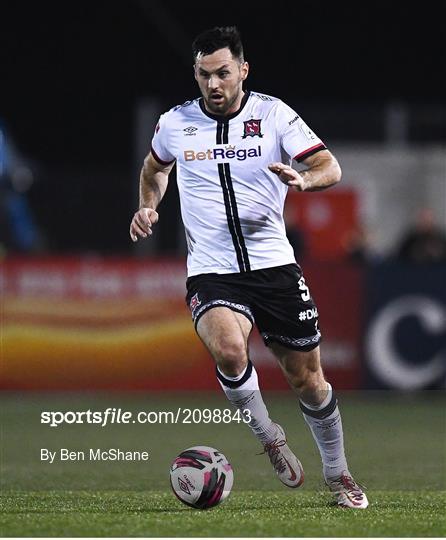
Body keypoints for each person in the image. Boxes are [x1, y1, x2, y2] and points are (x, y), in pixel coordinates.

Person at [130, 26, 368, 509]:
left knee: (309, 380)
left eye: (222, 73)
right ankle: (269, 437)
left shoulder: (273, 115)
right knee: (230, 350)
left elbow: (331, 167)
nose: (213, 84)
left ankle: (338, 473)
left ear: (243, 70)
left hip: (273, 267)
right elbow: (155, 169)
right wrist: (148, 205)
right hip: (211, 270)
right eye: (203, 74)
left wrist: (302, 180)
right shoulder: (175, 123)